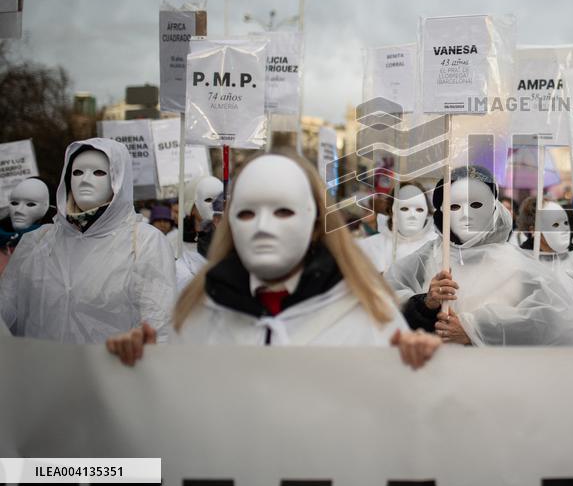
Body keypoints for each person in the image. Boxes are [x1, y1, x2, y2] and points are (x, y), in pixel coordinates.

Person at [106, 150, 439, 369]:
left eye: (283, 211)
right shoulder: (196, 313)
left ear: (313, 222)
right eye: (248, 212)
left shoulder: (370, 315)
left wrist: (414, 367)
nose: (264, 227)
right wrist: (144, 369)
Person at [384, 165, 573, 346]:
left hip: (495, 378)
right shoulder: (429, 256)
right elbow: (386, 301)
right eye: (454, 206)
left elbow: (552, 322)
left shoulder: (516, 265)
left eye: (476, 205)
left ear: (493, 208)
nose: (465, 215)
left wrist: (474, 330)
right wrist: (425, 304)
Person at [0, 138, 175, 342]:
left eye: (98, 172)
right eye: (77, 172)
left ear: (118, 179)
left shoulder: (144, 242)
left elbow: (158, 327)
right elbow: (6, 311)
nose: (84, 180)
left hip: (111, 370)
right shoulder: (38, 242)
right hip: (42, 369)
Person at [515, 199, 573, 290]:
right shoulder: (521, 262)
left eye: (566, 223)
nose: (565, 228)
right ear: (533, 230)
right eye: (555, 225)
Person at [357, 182, 436, 273]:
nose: (412, 215)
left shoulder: (437, 246)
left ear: (427, 212)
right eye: (404, 209)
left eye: (419, 209)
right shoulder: (370, 246)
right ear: (391, 211)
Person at [0, 177, 55, 276]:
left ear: (48, 207)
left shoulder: (55, 245)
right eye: (14, 203)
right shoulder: (2, 239)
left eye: (30, 204)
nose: (18, 210)